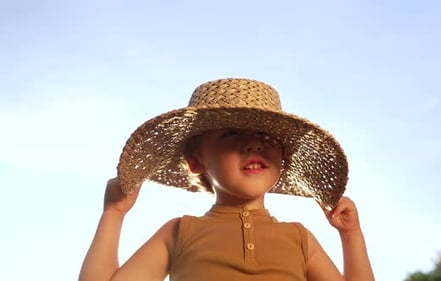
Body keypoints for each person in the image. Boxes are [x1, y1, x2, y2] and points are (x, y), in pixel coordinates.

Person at [79, 78, 375, 281]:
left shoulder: (299, 239)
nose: (254, 144)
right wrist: (113, 214)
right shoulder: (181, 232)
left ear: (282, 163)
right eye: (232, 133)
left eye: (266, 136)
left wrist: (351, 236)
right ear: (196, 160)